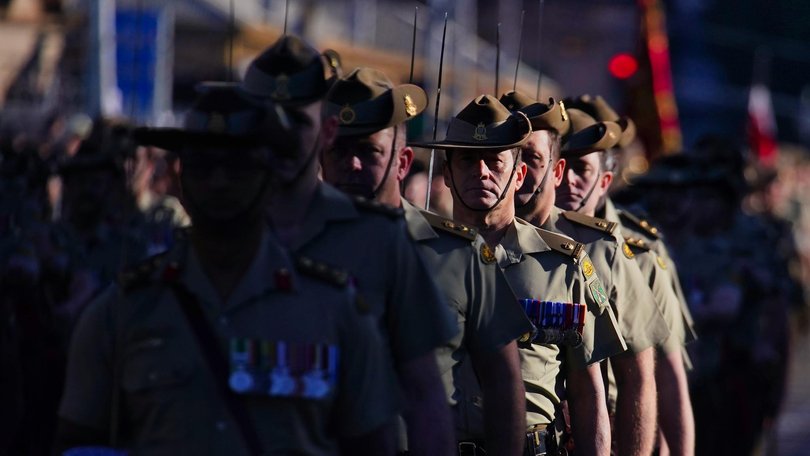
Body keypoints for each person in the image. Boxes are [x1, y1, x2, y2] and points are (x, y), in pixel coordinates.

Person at [55, 83, 401, 455]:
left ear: (269, 178)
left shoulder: (335, 312)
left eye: (238, 166)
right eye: (203, 165)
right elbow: (80, 444)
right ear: (180, 178)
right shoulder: (120, 312)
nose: (218, 181)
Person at [241, 36, 458, 455]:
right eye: (268, 121)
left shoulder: (380, 242)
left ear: (325, 130)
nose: (281, 138)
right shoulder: (217, 234)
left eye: (296, 123)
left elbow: (424, 395)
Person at [321, 66, 535, 454]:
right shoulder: (290, 248)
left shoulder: (456, 253)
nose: (352, 164)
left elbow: (503, 383)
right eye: (339, 151)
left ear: (402, 163)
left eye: (368, 151)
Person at [411, 94, 626, 455]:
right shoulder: (417, 260)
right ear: (446, 174)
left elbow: (588, 394)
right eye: (467, 160)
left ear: (518, 174)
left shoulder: (563, 265)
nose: (481, 172)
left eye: (494, 161)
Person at [539, 102, 670, 456]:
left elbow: (647, 378)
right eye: (560, 166)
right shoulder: (511, 243)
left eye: (582, 168)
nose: (567, 180)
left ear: (605, 181)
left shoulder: (612, 250)